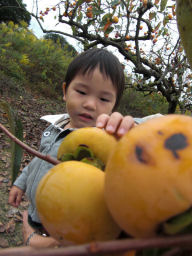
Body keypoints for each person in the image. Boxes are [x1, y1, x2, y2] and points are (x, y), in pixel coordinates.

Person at [8, 48, 161, 248]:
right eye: (81, 92)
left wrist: (128, 128)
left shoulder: (106, 139)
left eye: (104, 99)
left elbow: (152, 126)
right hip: (36, 212)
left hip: (62, 223)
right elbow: (39, 159)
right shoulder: (55, 126)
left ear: (114, 107)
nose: (90, 104)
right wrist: (20, 183)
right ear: (65, 91)